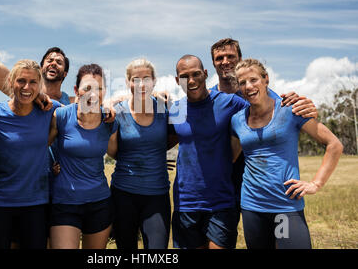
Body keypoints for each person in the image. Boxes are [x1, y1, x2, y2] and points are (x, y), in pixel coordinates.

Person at [209, 37, 318, 245]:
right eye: (219, 58)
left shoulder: (263, 94)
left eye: (230, 56)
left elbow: (289, 113)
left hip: (263, 183)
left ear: (239, 58)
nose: (225, 61)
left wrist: (309, 109)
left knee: (279, 237)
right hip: (225, 178)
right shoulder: (210, 98)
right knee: (223, 238)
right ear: (213, 63)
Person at [230, 58, 343, 249]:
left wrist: (316, 183)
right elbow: (230, 158)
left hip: (285, 207)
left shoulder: (290, 110)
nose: (248, 86)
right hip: (252, 207)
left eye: (254, 80)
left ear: (265, 79)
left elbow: (334, 145)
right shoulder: (237, 120)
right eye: (242, 83)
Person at [0, 59, 59, 249]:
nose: (26, 87)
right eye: (21, 81)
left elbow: (83, 115)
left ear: (40, 85)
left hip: (36, 205)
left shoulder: (50, 110)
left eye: (33, 82)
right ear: (11, 82)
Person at [168, 54, 248, 249]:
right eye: (185, 77)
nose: (192, 81)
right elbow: (153, 139)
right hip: (186, 202)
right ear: (178, 81)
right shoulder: (175, 110)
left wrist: (291, 102)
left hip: (221, 201)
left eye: (196, 74)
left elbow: (263, 107)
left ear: (205, 74)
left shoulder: (231, 103)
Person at [48, 64, 118, 249]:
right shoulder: (61, 116)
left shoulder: (109, 121)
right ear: (76, 91)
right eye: (87, 88)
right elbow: (39, 148)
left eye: (99, 89)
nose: (93, 94)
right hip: (65, 202)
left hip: (99, 202)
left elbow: (117, 153)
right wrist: (49, 165)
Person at [109, 58, 171, 249]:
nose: (141, 84)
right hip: (123, 194)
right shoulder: (118, 111)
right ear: (128, 82)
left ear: (154, 81)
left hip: (157, 195)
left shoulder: (165, 107)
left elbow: (178, 134)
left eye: (146, 78)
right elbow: (112, 151)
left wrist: (157, 153)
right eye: (136, 79)